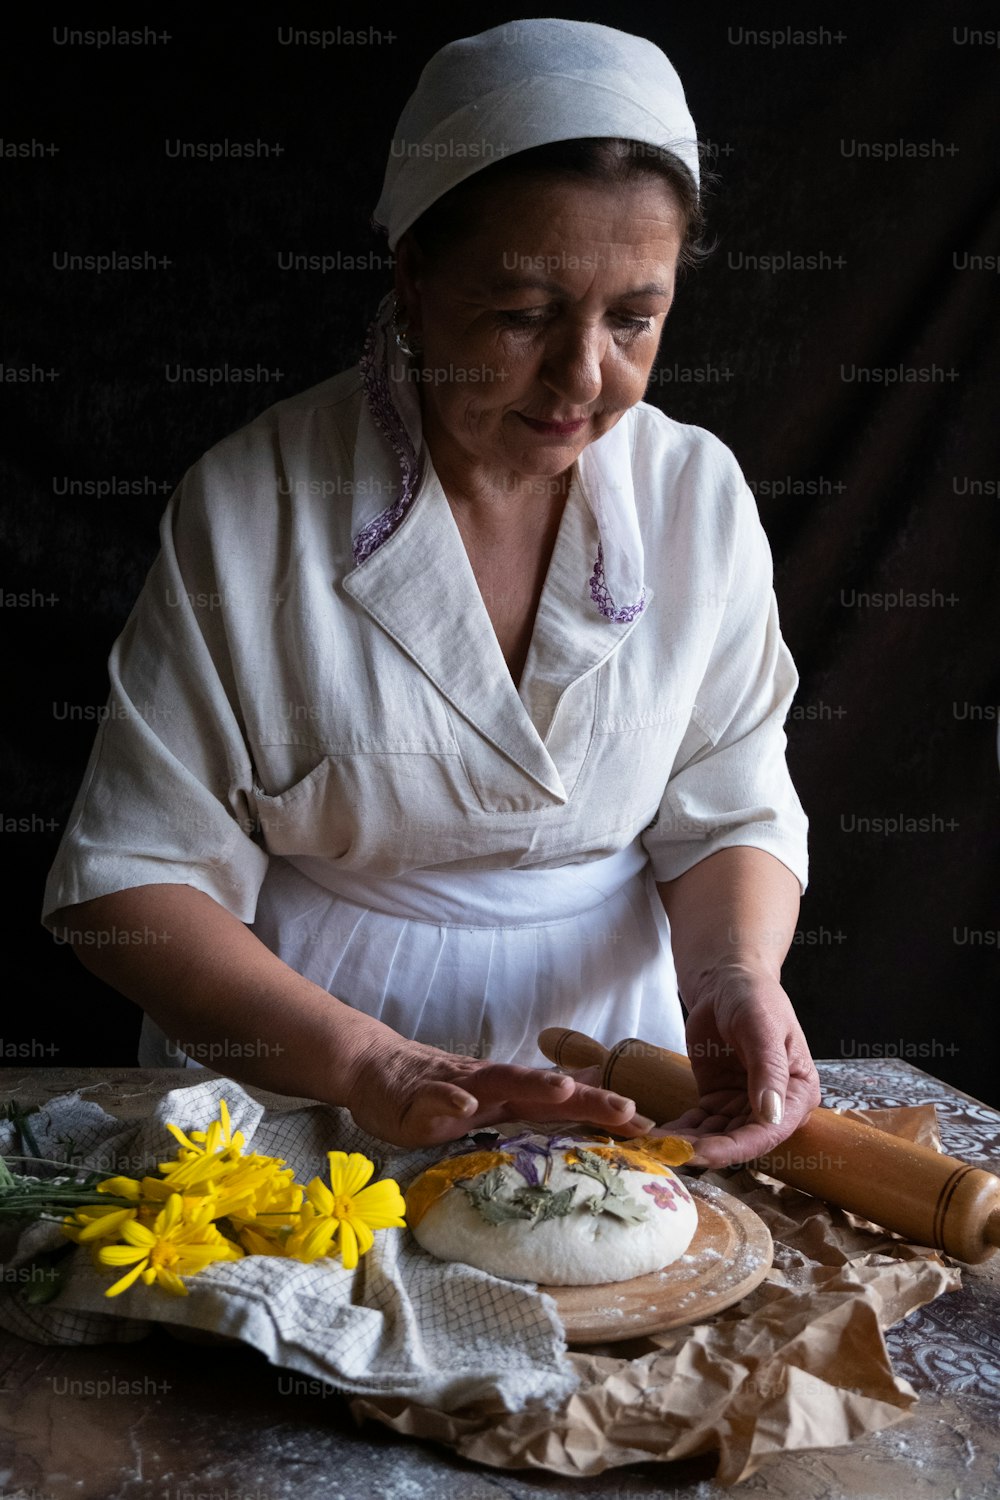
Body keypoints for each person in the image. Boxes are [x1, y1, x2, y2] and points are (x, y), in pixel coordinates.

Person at [42, 20, 821, 1164]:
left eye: (632, 319)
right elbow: (129, 880)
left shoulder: (694, 496)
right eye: (521, 313)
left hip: (622, 1069)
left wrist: (733, 972)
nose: (581, 377)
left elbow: (732, 804)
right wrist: (378, 1065)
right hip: (308, 1084)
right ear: (413, 277)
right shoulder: (254, 505)